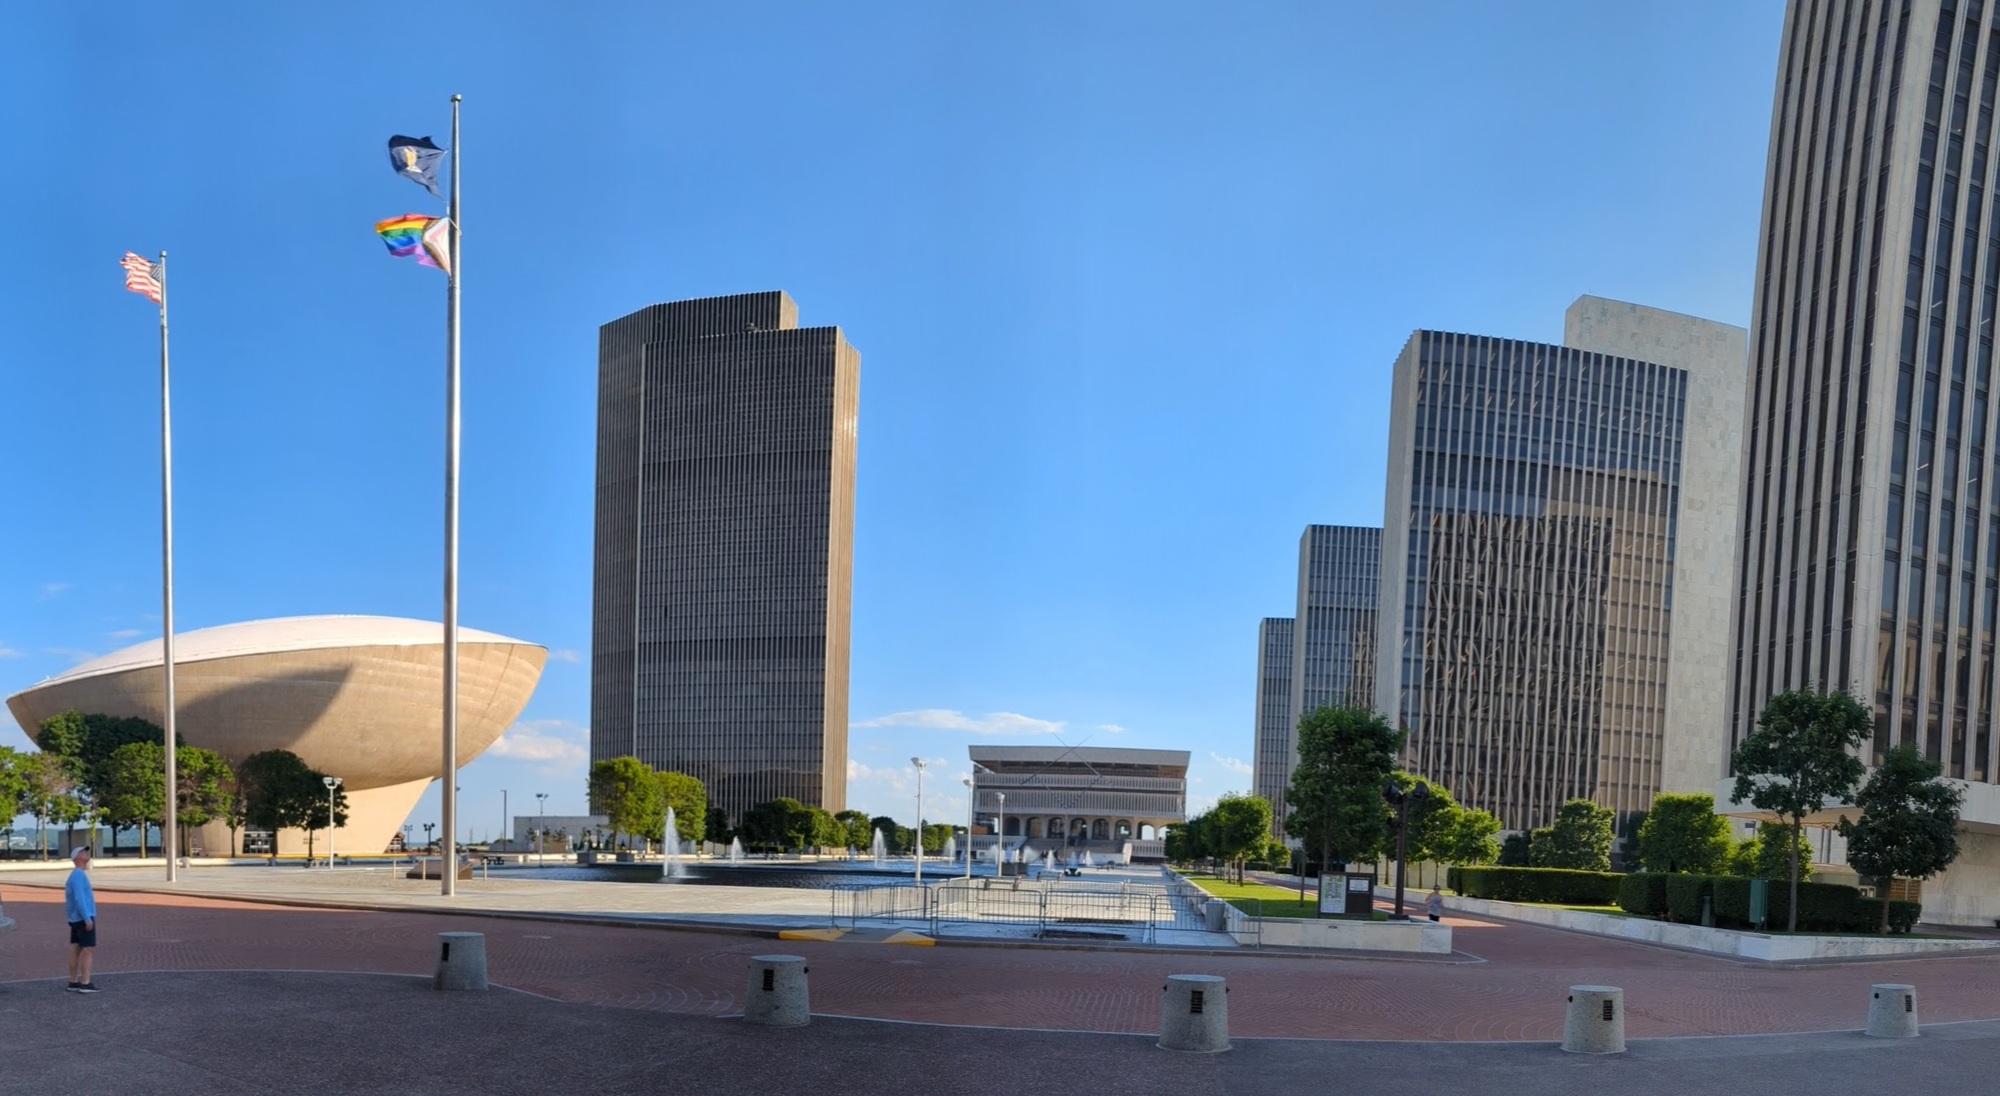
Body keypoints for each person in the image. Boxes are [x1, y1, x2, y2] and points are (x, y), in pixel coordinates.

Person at [65, 847, 99, 993]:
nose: (87, 853)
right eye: (83, 852)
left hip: (75, 918)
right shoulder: (79, 875)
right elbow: (80, 899)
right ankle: (85, 982)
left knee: (75, 948)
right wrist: (87, 918)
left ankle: (73, 981)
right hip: (83, 917)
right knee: (87, 949)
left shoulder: (74, 875)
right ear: (77, 858)